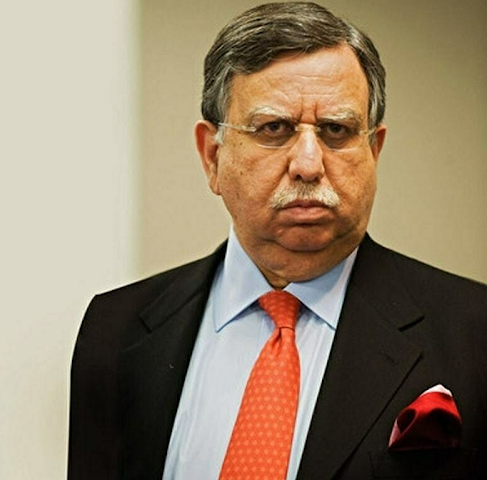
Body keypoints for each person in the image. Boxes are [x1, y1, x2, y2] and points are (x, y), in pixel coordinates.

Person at [69, 2, 487, 479]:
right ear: (212, 156)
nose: (308, 164)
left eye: (336, 130)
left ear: (373, 150)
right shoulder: (114, 329)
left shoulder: (472, 336)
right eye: (274, 129)